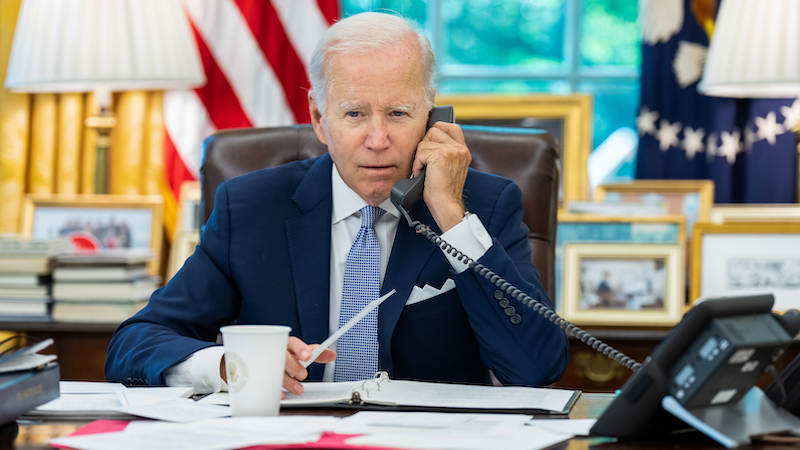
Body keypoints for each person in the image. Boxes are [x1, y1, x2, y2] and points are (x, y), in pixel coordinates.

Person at [105, 11, 569, 395]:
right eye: (354, 113)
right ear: (318, 119)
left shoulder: (482, 207)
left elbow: (536, 366)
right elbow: (135, 342)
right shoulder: (249, 208)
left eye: (399, 113)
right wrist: (225, 365)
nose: (377, 139)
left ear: (431, 116)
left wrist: (450, 217)